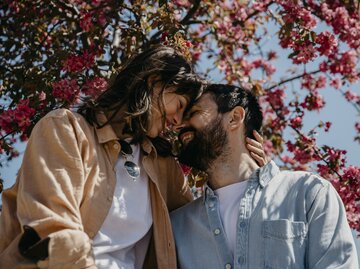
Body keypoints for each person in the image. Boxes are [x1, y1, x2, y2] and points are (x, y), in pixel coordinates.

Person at [0, 45, 266, 269]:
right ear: (154, 81)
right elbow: (52, 232)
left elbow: (201, 228)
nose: (176, 122)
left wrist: (255, 177)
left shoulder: (163, 167)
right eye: (180, 105)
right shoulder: (65, 129)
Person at [171, 84, 358, 269]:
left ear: (234, 118)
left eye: (194, 112)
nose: (180, 124)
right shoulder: (177, 225)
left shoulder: (307, 193)